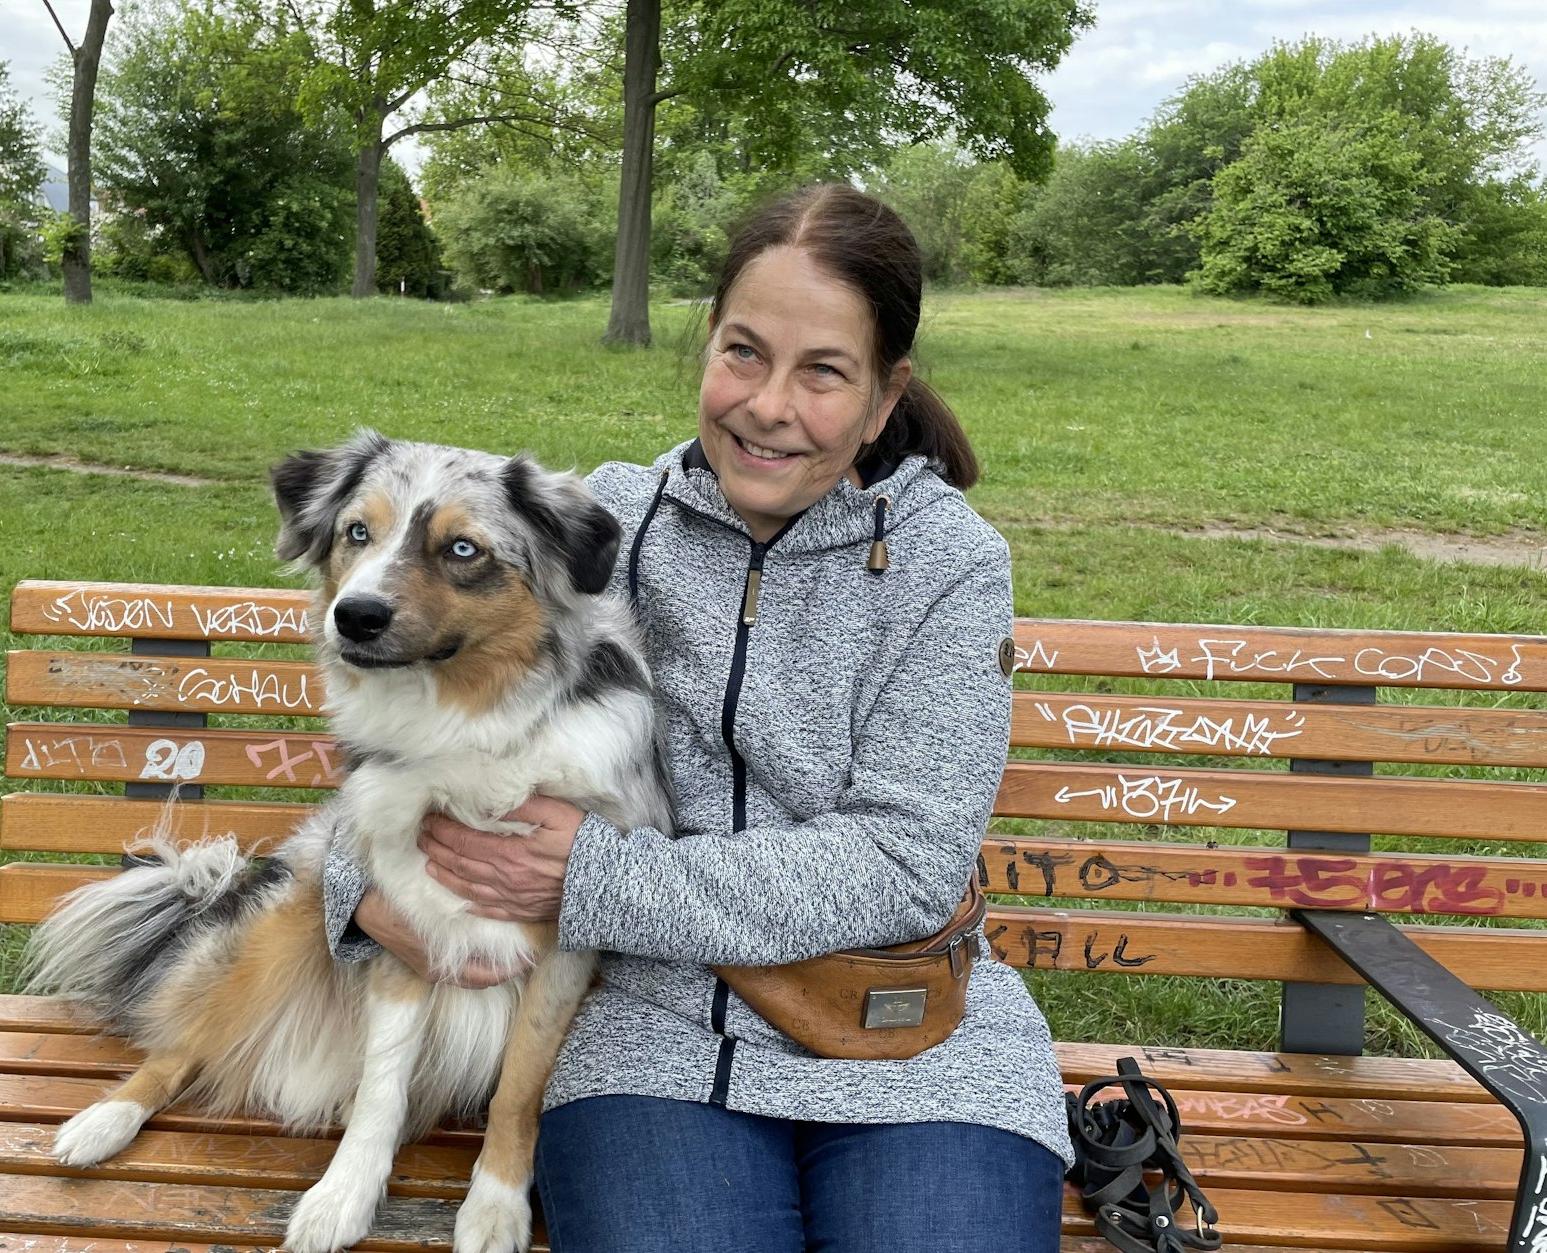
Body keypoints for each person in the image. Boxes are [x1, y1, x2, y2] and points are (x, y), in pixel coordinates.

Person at [326, 183, 1071, 1252]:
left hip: (907, 1037)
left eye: (822, 371)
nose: (768, 405)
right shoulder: (603, 524)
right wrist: (363, 895)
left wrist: (590, 877)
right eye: (742, 352)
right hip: (642, 1036)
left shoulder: (947, 566)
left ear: (880, 392)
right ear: (704, 347)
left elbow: (905, 863)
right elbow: (410, 729)